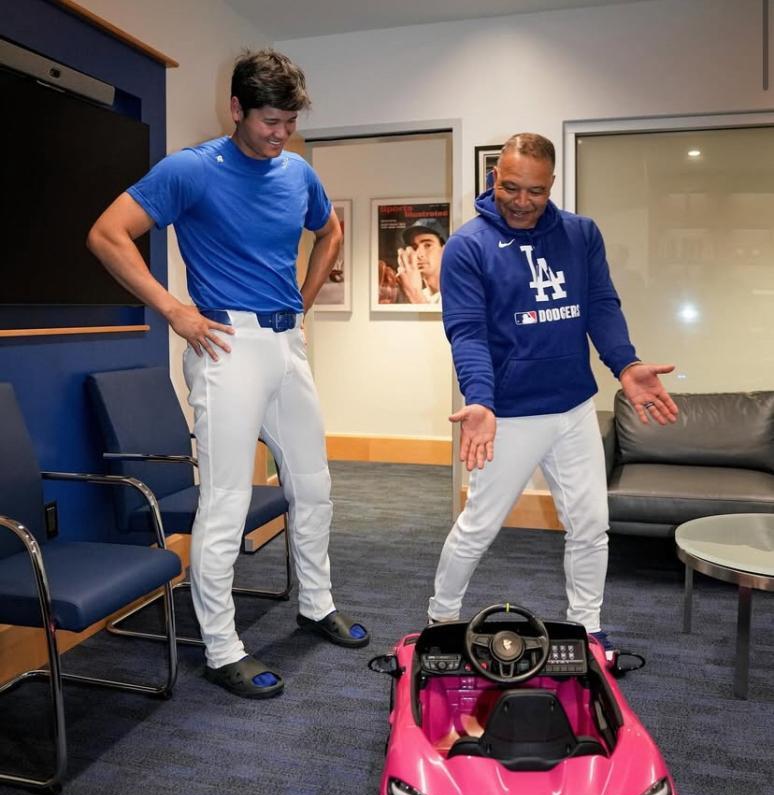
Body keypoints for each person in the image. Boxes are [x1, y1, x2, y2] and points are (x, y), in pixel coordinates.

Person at [87, 49, 370, 700]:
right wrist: (172, 308)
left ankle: (317, 603)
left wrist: (301, 301)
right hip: (224, 344)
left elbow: (330, 230)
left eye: (289, 123)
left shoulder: (297, 172)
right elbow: (107, 234)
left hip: (285, 342)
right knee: (227, 503)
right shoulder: (191, 170)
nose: (280, 135)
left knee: (314, 484)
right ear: (237, 109)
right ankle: (221, 646)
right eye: (270, 121)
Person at [428, 133, 678, 648]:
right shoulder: (467, 247)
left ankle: (586, 624)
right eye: (511, 187)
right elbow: (467, 331)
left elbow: (602, 304)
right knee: (479, 526)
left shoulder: (581, 234)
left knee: (591, 524)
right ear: (495, 177)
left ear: (552, 185)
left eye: (536, 191)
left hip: (572, 407)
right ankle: (441, 619)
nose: (522, 202)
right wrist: (479, 398)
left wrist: (624, 364)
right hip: (510, 413)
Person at [395, 218, 446, 304]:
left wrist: (414, 294)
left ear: (444, 249)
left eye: (427, 245)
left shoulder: (457, 295)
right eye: (414, 247)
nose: (418, 254)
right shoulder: (414, 295)